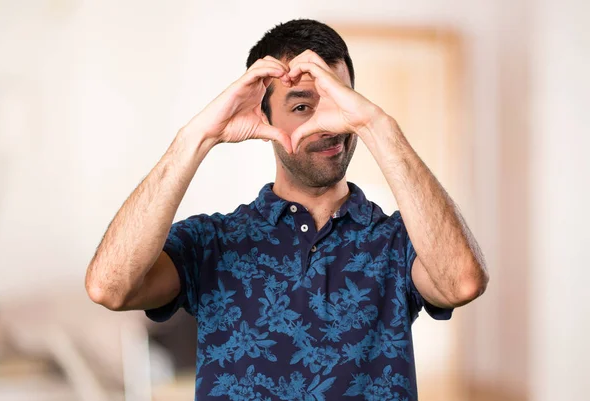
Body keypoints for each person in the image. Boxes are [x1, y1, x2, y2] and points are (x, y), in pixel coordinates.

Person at [85, 19, 488, 401]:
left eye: (338, 103)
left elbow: (462, 284)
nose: (327, 126)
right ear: (263, 116)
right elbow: (109, 287)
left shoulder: (397, 242)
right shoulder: (213, 242)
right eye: (301, 107)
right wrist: (196, 138)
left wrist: (378, 125)